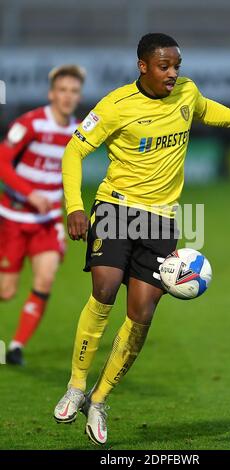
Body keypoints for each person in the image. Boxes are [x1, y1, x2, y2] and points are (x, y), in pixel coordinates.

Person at [54, 33, 230, 445]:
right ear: (143, 67)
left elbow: (208, 110)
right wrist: (74, 206)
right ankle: (76, 385)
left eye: (177, 65)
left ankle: (99, 401)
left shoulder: (187, 92)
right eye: (164, 66)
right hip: (116, 207)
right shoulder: (115, 105)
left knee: (141, 314)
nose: (173, 74)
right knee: (103, 289)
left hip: (161, 220)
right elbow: (73, 151)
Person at [0, 65, 85, 365]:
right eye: (62, 90)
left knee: (45, 278)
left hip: (47, 224)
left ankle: (15, 347)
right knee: (6, 292)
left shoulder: (78, 133)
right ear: (52, 93)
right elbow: (2, 162)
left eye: (73, 91)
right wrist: (29, 192)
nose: (67, 96)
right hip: (13, 217)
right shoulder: (30, 124)